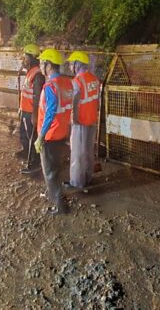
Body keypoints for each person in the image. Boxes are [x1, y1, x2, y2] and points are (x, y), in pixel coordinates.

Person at [34, 48, 73, 215]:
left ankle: (60, 206)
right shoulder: (66, 83)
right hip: (61, 133)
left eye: (42, 63)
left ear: (48, 65)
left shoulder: (50, 86)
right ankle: (57, 197)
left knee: (50, 173)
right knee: (56, 169)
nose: (40, 67)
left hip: (49, 136)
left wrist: (40, 137)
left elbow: (50, 113)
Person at [65, 51, 101, 189]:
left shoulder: (77, 82)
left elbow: (74, 103)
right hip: (92, 120)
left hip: (80, 122)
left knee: (77, 154)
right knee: (88, 151)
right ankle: (88, 178)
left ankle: (77, 182)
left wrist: (73, 120)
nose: (69, 66)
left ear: (76, 64)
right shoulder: (94, 79)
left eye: (71, 63)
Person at [16, 44, 45, 174]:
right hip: (25, 110)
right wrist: (21, 109)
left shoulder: (38, 75)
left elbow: (37, 97)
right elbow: (25, 92)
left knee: (32, 137)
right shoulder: (30, 71)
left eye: (26, 57)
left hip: (30, 112)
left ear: (33, 58)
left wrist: (34, 115)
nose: (24, 59)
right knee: (24, 134)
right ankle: (25, 151)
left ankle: (35, 163)